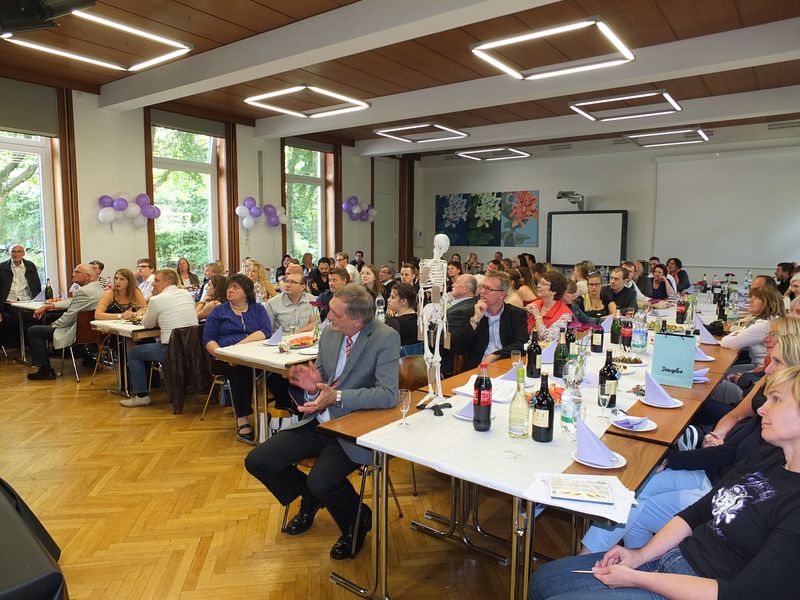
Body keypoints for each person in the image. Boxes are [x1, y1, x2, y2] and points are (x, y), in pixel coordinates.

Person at [532, 365, 800, 600]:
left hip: (697, 588)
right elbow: (698, 512)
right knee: (543, 580)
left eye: (776, 400)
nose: (762, 408)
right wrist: (639, 556)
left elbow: (738, 594)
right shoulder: (768, 457)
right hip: (674, 562)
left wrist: (638, 578)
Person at [579, 332, 800, 556]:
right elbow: (734, 424)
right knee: (636, 489)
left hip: (722, 485)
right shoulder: (771, 403)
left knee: (635, 506)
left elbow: (733, 457)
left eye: (777, 361)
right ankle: (610, 557)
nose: (768, 367)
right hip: (715, 471)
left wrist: (670, 459)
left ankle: (618, 559)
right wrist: (718, 434)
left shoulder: (781, 431)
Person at [244, 284, 399, 560]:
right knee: (258, 461)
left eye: (336, 314)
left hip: (353, 425)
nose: (328, 318)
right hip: (318, 420)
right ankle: (313, 497)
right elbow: (322, 379)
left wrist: (336, 397)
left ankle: (355, 522)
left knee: (323, 479)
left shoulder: (385, 337)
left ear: (357, 321)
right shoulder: (330, 332)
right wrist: (311, 387)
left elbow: (388, 395)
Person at [203, 274, 271, 442]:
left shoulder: (257, 309)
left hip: (255, 356)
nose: (230, 290)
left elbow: (265, 332)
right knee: (241, 371)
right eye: (229, 287)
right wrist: (224, 355)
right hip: (223, 359)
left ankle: (281, 412)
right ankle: (242, 418)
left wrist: (239, 347)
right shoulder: (219, 311)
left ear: (246, 292)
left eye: (235, 287)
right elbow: (208, 339)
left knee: (275, 372)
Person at [120, 269, 198, 407]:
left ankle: (141, 396)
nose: (152, 284)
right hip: (192, 348)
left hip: (171, 350)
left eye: (157, 281)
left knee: (133, 353)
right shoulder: (186, 294)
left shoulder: (157, 300)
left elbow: (147, 324)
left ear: (168, 282)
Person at [26, 264, 104, 380]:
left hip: (76, 331)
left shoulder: (83, 291)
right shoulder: (98, 288)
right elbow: (72, 302)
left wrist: (53, 325)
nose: (73, 274)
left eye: (77, 272)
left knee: (34, 330)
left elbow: (68, 317)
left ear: (87, 276)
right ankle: (87, 358)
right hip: (90, 331)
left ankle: (45, 370)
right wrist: (49, 306)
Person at [450, 271, 528, 371]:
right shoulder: (471, 313)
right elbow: (458, 347)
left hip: (505, 363)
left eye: (488, 289)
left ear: (502, 294)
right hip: (479, 367)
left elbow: (522, 344)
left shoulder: (516, 314)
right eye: (482, 287)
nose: (482, 292)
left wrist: (495, 355)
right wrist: (475, 320)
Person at [720, 285, 785, 369]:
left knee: (722, 370)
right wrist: (738, 333)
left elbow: (727, 343)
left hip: (762, 370)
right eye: (751, 297)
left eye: (757, 298)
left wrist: (736, 334)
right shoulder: (767, 319)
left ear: (768, 302)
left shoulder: (764, 325)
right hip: (759, 366)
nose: (750, 301)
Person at [0, 243, 42, 343]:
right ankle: (19, 343)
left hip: (26, 301)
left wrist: (40, 303)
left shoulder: (30, 266)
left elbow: (36, 284)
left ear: (23, 253)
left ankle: (29, 344)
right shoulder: (2, 267)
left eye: (19, 251)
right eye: (13, 251)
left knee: (36, 318)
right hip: (9, 302)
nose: (16, 254)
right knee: (16, 317)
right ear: (10, 253)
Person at [526, 271, 572, 343]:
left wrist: (538, 317)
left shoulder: (565, 315)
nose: (538, 286)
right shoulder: (536, 304)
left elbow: (547, 340)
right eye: (539, 282)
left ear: (554, 291)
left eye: (543, 283)